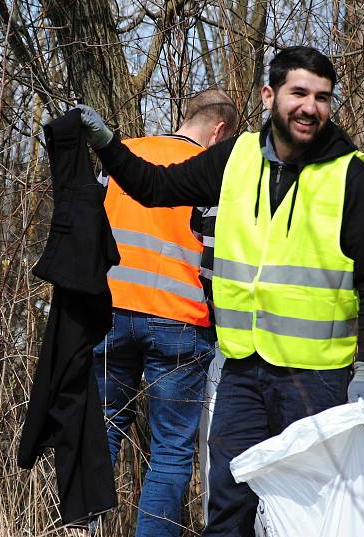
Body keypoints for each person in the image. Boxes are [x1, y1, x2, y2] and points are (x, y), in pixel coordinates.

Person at [77, 46, 364, 537]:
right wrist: (108, 144)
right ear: (270, 95)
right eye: (298, 93)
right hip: (243, 372)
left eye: (322, 97)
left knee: (312, 517)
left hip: (316, 380)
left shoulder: (351, 176)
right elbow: (155, 187)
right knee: (227, 507)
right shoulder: (236, 157)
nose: (310, 107)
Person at [94, 88, 238, 537]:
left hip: (110, 313)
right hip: (180, 320)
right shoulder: (214, 173)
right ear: (219, 130)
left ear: (185, 115)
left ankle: (84, 528)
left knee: (101, 432)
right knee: (172, 450)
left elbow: (88, 230)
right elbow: (216, 254)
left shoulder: (124, 155)